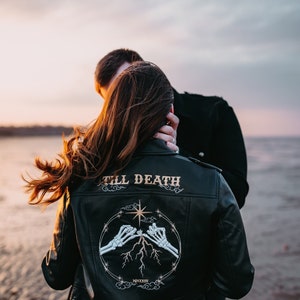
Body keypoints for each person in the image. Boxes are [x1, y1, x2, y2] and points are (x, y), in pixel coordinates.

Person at [24, 61, 254, 299]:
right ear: (170, 113)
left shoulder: (80, 179)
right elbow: (237, 284)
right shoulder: (212, 182)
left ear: (110, 111)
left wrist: (105, 249)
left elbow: (56, 276)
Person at [94, 49, 249, 210]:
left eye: (128, 86)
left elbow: (236, 195)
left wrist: (176, 158)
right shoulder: (114, 139)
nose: (125, 99)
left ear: (147, 74)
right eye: (116, 99)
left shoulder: (215, 112)